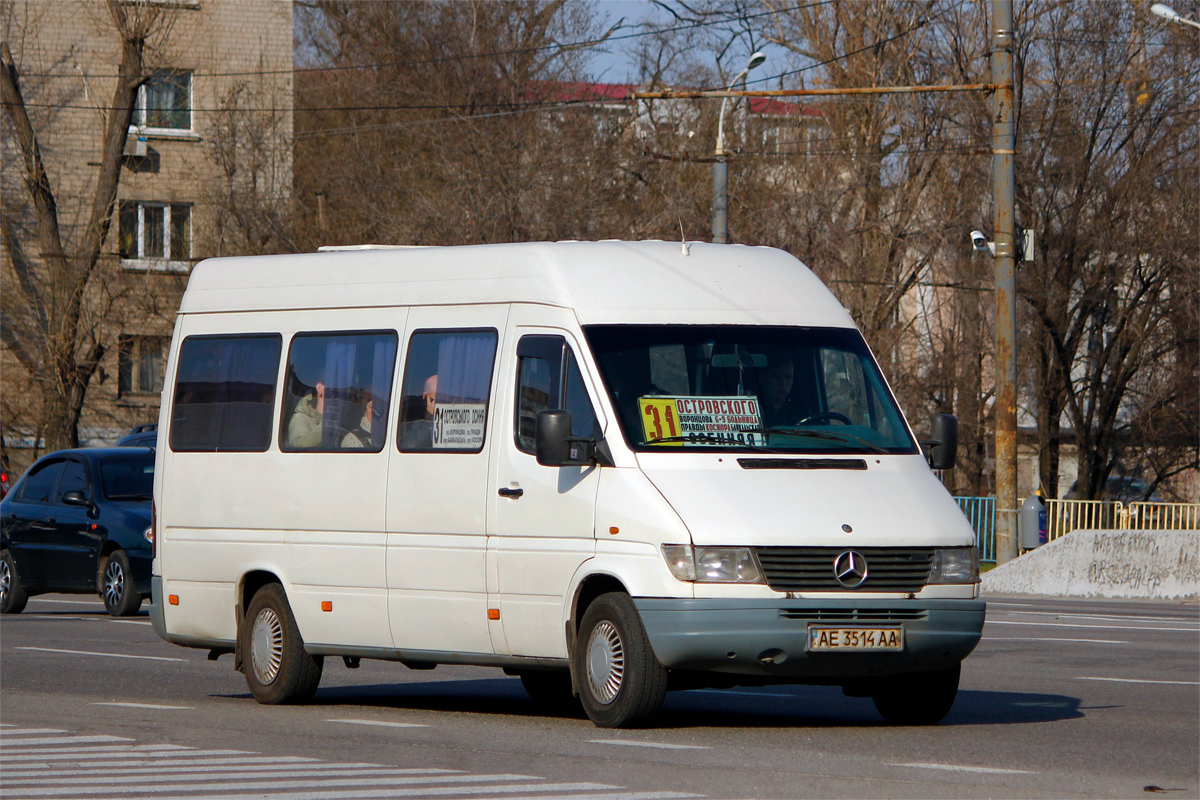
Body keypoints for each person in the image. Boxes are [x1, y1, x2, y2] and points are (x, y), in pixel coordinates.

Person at [759, 356, 801, 428]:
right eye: (776, 377)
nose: (783, 384)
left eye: (788, 377)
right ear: (762, 378)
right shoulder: (752, 409)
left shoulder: (801, 412)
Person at [398, 374, 436, 449]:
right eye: (436, 399)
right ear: (426, 397)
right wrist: (429, 420)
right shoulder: (412, 413)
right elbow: (409, 444)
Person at [287, 380, 325, 447]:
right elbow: (299, 445)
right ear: (320, 388)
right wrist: (328, 424)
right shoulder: (301, 417)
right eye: (334, 386)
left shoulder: (345, 418)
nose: (339, 391)